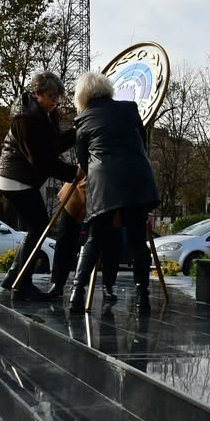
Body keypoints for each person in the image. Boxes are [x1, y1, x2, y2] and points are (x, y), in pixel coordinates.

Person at [69, 72, 159, 314]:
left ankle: (76, 294)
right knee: (137, 240)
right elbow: (141, 142)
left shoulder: (82, 121)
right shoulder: (130, 109)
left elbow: (84, 162)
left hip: (105, 182)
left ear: (82, 96)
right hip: (138, 178)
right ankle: (143, 298)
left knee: (94, 237)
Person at [0, 71, 79, 300]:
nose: (55, 101)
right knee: (40, 227)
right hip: (15, 178)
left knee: (36, 227)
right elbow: (41, 160)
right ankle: (22, 283)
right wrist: (74, 173)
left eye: (58, 97)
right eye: (51, 96)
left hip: (20, 178)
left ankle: (13, 276)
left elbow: (53, 147)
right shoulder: (26, 119)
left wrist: (74, 133)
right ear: (36, 93)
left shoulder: (44, 113)